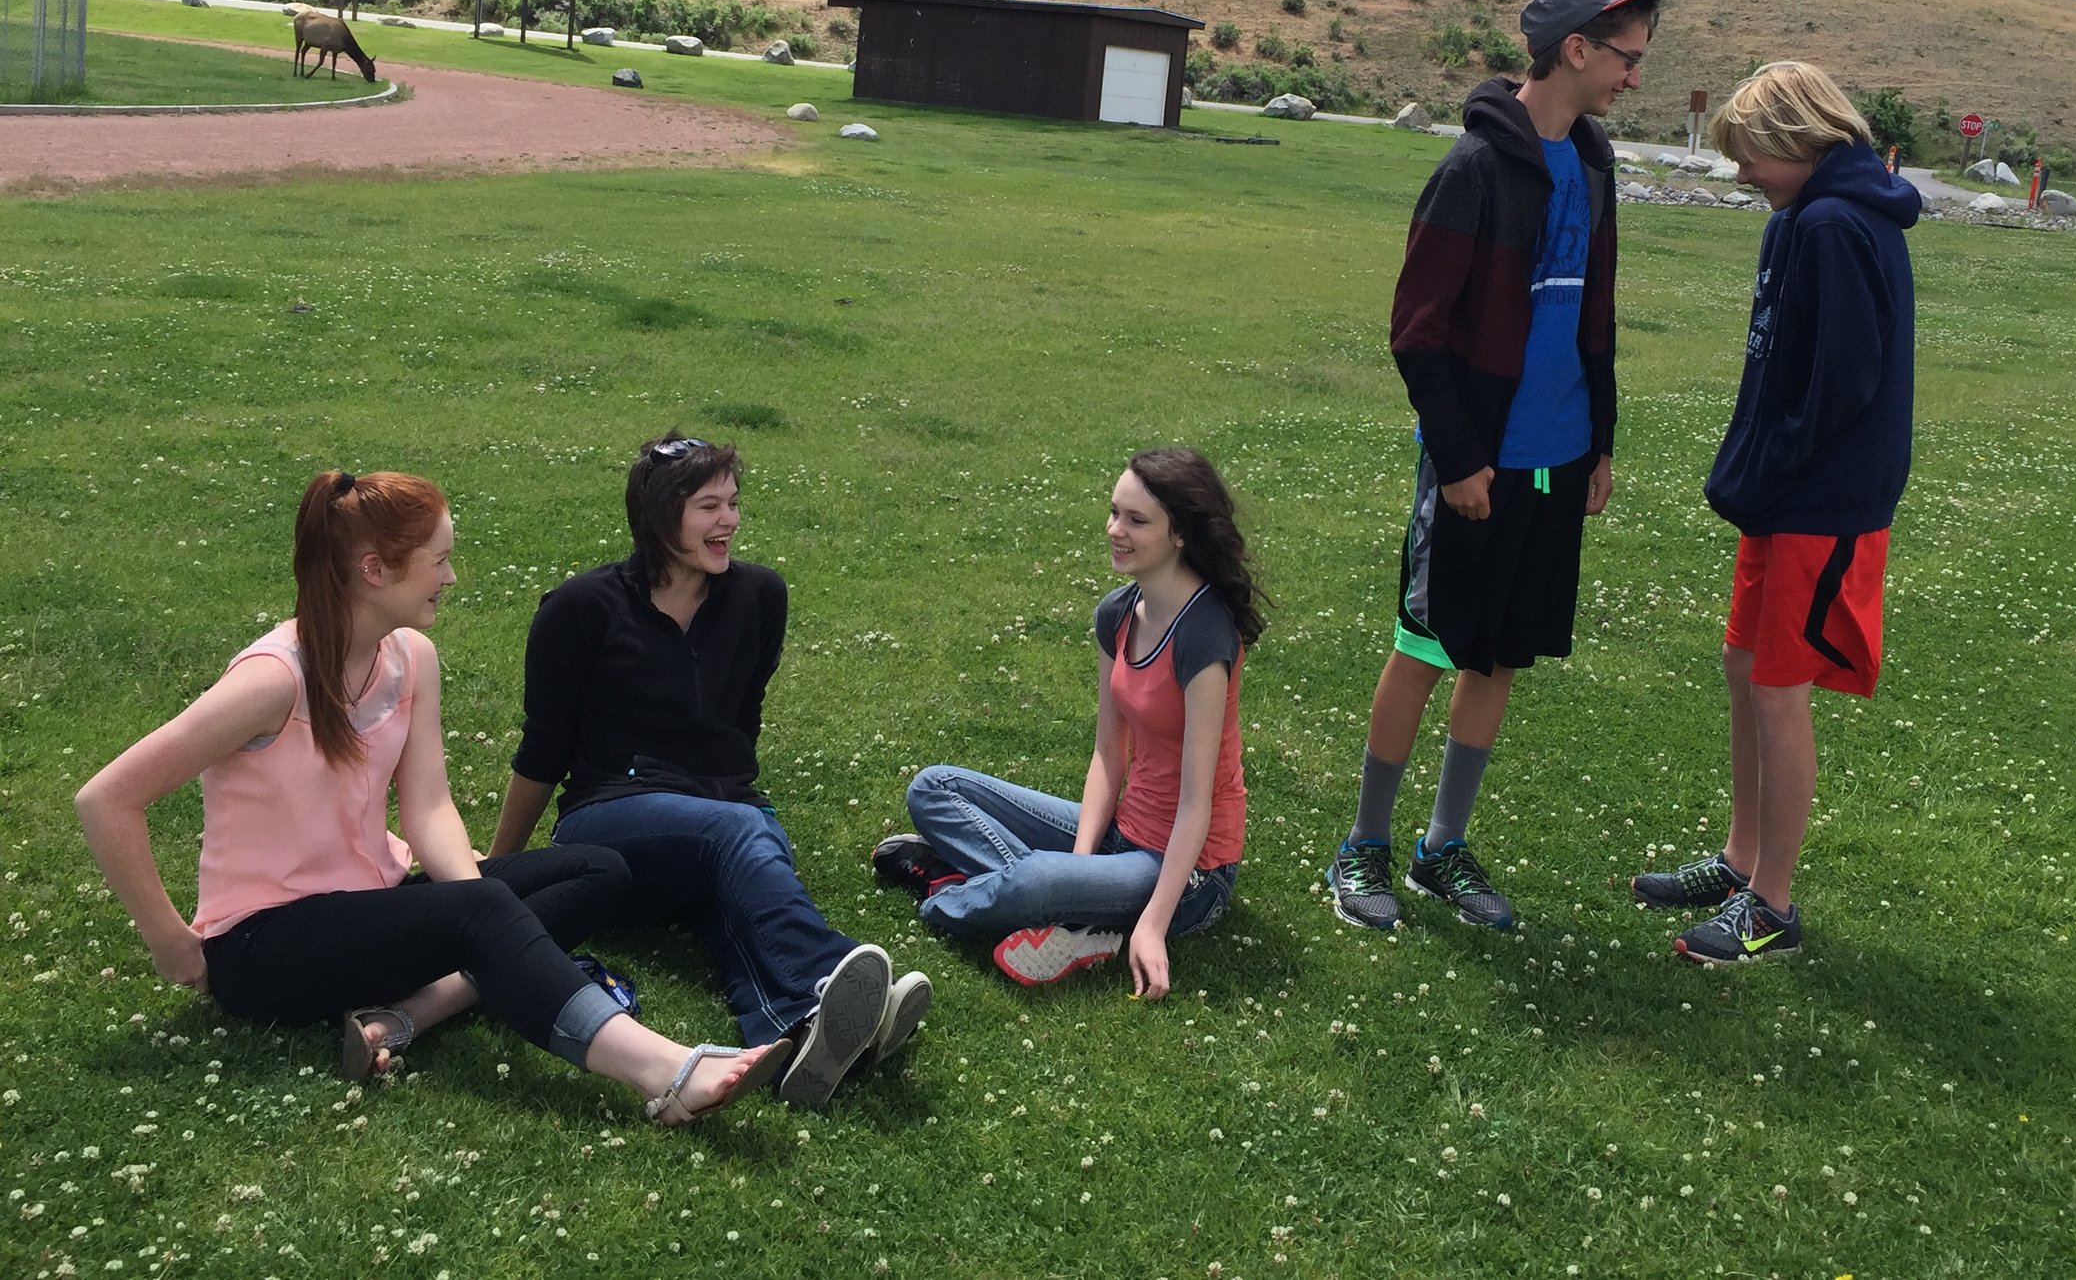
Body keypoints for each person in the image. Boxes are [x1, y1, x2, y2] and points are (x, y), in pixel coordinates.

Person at [75, 471, 790, 1125]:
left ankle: (414, 1008)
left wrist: (470, 897)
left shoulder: (409, 657)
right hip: (264, 946)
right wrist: (174, 944)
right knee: (480, 908)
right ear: (374, 570)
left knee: (597, 866)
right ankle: (664, 1073)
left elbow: (427, 808)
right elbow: (107, 799)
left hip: (372, 904)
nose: (451, 575)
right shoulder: (273, 681)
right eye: (438, 560)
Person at [1327, 0, 1668, 932]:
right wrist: (1463, 458)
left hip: (1558, 462)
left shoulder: (1594, 167)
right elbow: (1416, 331)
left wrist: (1599, 443)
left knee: (1498, 660)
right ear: (1574, 50)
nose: (1633, 78)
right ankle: (1363, 847)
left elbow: (1593, 319)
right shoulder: (1472, 170)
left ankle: (1442, 850)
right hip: (1477, 464)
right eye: (1625, 59)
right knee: (1424, 649)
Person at [488, 433, 925, 1108]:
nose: (730, 520)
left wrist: (739, 805)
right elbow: (543, 749)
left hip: (716, 815)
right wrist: (501, 873)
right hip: (607, 819)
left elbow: (738, 727)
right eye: (708, 506)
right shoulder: (579, 610)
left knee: (734, 876)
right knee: (736, 833)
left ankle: (799, 1035)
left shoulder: (758, 597)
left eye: (733, 503)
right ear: (660, 515)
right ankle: (822, 977)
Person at [1633, 60, 1920, 964]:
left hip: (1820, 501)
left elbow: (1842, 382)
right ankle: (1740, 856)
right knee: (1744, 662)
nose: (1743, 173)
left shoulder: (1836, 224)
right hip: (1781, 496)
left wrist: (1777, 467)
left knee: (1779, 685)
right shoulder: (1801, 219)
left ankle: (1774, 903)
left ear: (1797, 137)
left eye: (1750, 154)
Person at [875, 447, 1260, 998]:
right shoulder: (1118, 614)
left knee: (1035, 879)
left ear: (1180, 534)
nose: (1114, 530)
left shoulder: (1204, 634)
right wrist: (1078, 871)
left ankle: (945, 889)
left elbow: (1197, 802)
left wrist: (1150, 925)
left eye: (1136, 520)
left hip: (1189, 867)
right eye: (1114, 513)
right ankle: (1062, 909)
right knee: (934, 788)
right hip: (1123, 831)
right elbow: (1109, 753)